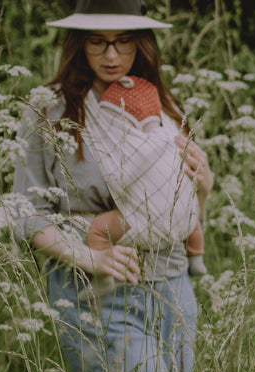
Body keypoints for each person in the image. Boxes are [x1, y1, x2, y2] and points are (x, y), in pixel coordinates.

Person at [8, 0, 212, 372]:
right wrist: (88, 255)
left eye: (123, 42)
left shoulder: (160, 104)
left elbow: (180, 207)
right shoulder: (49, 109)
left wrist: (203, 186)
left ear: (142, 44)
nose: (112, 56)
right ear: (78, 44)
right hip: (94, 292)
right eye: (97, 43)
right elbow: (24, 212)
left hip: (173, 290)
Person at [84, 73, 208, 295]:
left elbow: (121, 179)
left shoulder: (135, 148)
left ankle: (102, 278)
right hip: (184, 217)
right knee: (189, 215)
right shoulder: (171, 134)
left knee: (98, 230)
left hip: (144, 220)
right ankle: (197, 256)